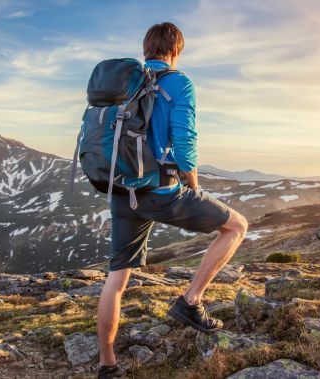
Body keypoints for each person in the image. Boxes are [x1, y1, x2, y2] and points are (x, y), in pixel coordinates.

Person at [96, 22, 249, 378]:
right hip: (161, 191)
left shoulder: (125, 86)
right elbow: (184, 142)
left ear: (146, 49)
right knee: (237, 226)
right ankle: (190, 301)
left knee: (116, 280)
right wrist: (193, 186)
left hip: (121, 191)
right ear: (176, 50)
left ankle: (107, 365)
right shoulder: (178, 83)